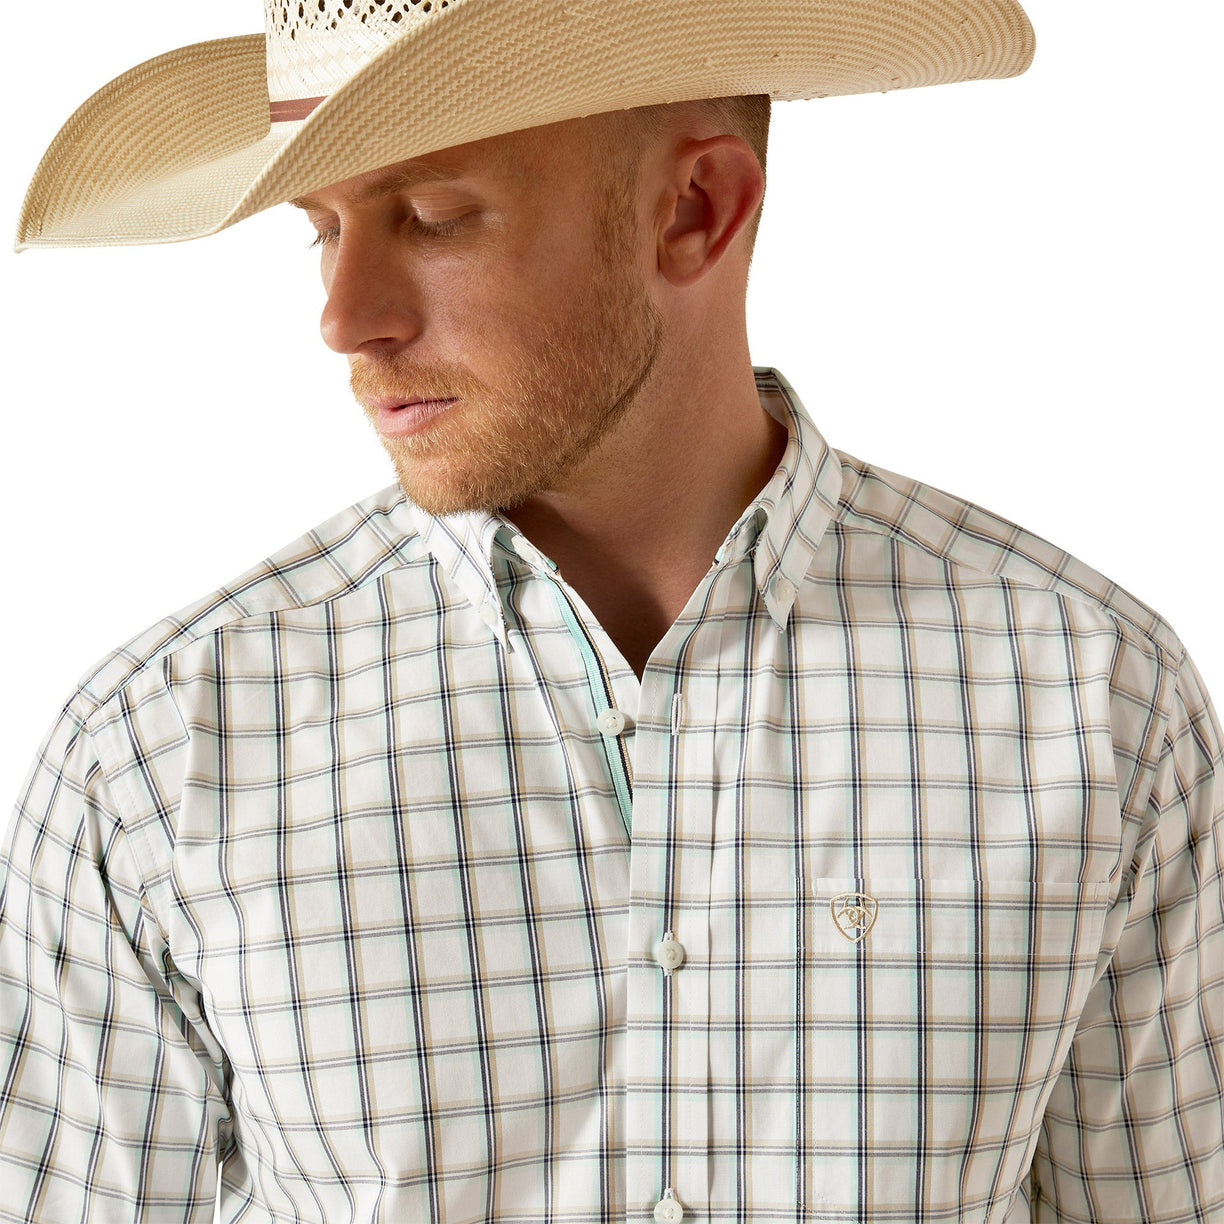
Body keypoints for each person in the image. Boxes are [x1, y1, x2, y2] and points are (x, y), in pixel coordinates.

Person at [2, 0, 1221, 1220]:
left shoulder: (1088, 701)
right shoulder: (161, 757)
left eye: (431, 216)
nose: (344, 317)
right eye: (319, 230)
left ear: (695, 211)